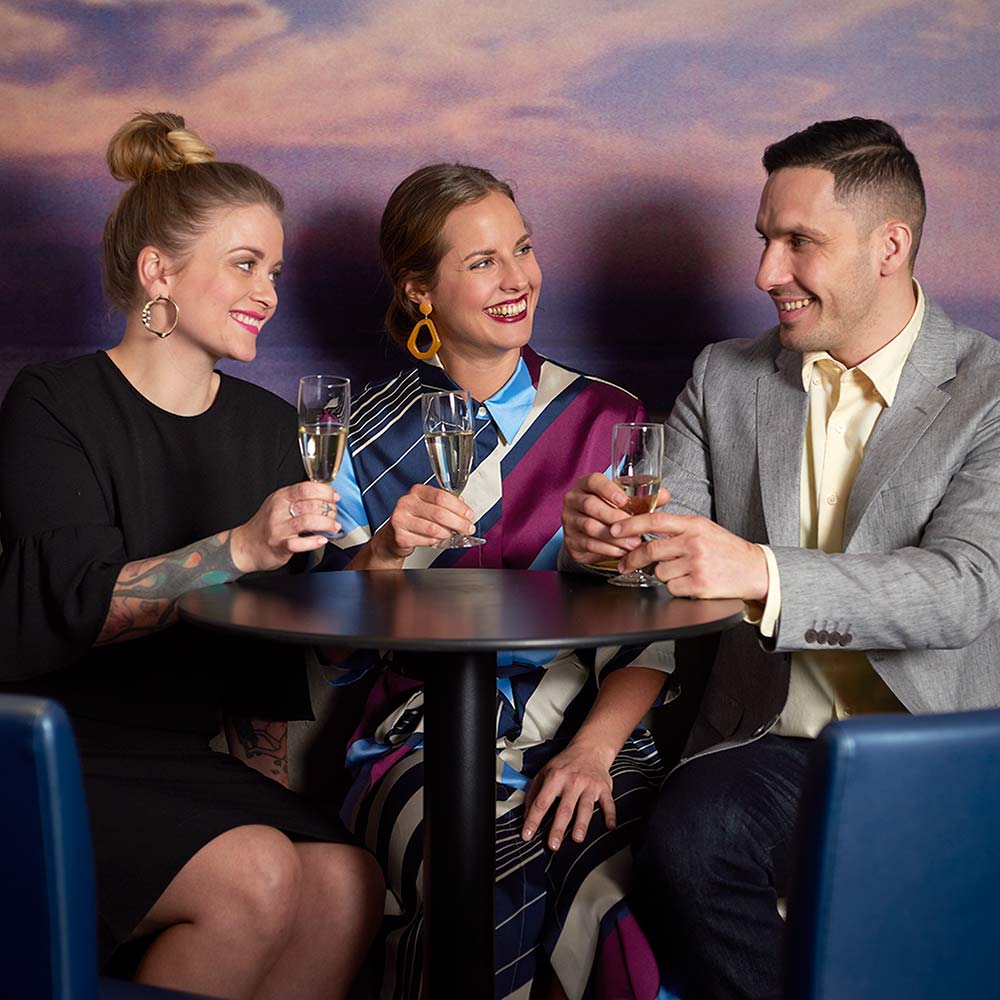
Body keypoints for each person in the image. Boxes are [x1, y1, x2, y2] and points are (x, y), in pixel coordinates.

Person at [560, 116, 1000, 999]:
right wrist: (605, 542)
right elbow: (657, 560)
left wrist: (760, 570)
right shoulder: (726, 376)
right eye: (765, 240)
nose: (766, 274)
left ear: (890, 245)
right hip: (776, 743)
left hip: (947, 751)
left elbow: (964, 590)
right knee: (687, 846)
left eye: (799, 242)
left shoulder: (988, 391)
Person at [0, 111, 383, 1000]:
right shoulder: (52, 405)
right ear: (157, 271)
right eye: (245, 264)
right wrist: (241, 547)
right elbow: (80, 608)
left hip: (184, 760)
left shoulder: (265, 427)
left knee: (343, 882)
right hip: (47, 749)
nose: (269, 292)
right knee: (255, 873)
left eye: (275, 271)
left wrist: (392, 553)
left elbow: (280, 646)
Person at [319, 163, 675, 1000]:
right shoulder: (359, 439)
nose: (518, 279)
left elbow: (655, 629)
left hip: (592, 729)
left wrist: (591, 751)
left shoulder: (609, 419)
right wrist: (381, 553)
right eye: (481, 262)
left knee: (625, 912)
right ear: (419, 291)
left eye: (521, 248)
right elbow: (335, 657)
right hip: (416, 738)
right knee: (476, 890)